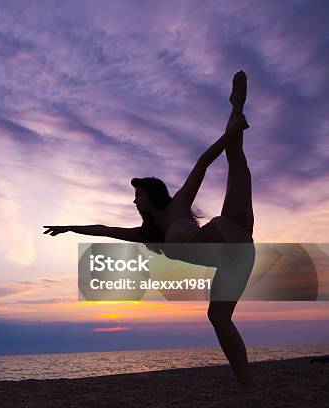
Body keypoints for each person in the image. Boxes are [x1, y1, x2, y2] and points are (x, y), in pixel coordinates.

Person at [43, 71, 256, 388]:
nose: (134, 200)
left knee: (234, 156)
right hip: (235, 260)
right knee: (217, 317)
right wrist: (69, 228)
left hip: (230, 230)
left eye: (137, 194)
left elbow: (203, 162)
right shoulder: (147, 235)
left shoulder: (179, 204)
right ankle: (248, 386)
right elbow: (104, 229)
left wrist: (232, 131)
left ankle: (236, 103)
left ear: (152, 193)